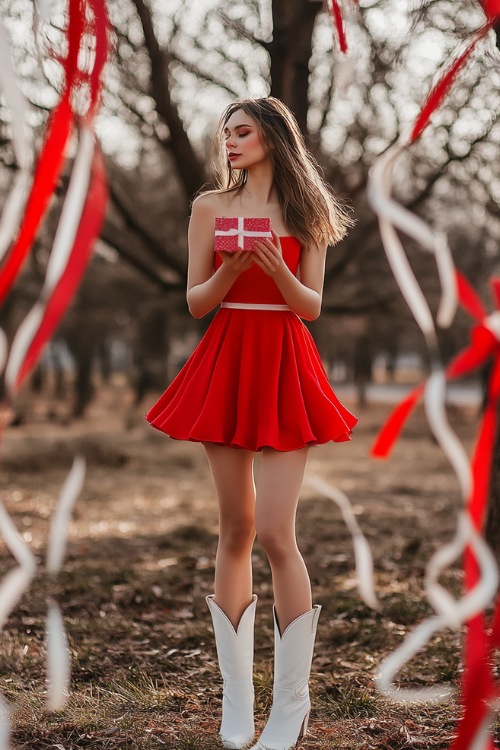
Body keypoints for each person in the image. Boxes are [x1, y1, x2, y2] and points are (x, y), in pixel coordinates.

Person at [146, 97, 357, 750]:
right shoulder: (209, 208)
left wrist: (279, 271)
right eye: (225, 133)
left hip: (285, 359)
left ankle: (290, 706)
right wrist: (234, 268)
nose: (230, 141)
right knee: (235, 528)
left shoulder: (306, 211)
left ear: (271, 135)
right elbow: (195, 301)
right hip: (228, 356)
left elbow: (313, 306)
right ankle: (237, 702)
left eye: (242, 131)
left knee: (274, 532)